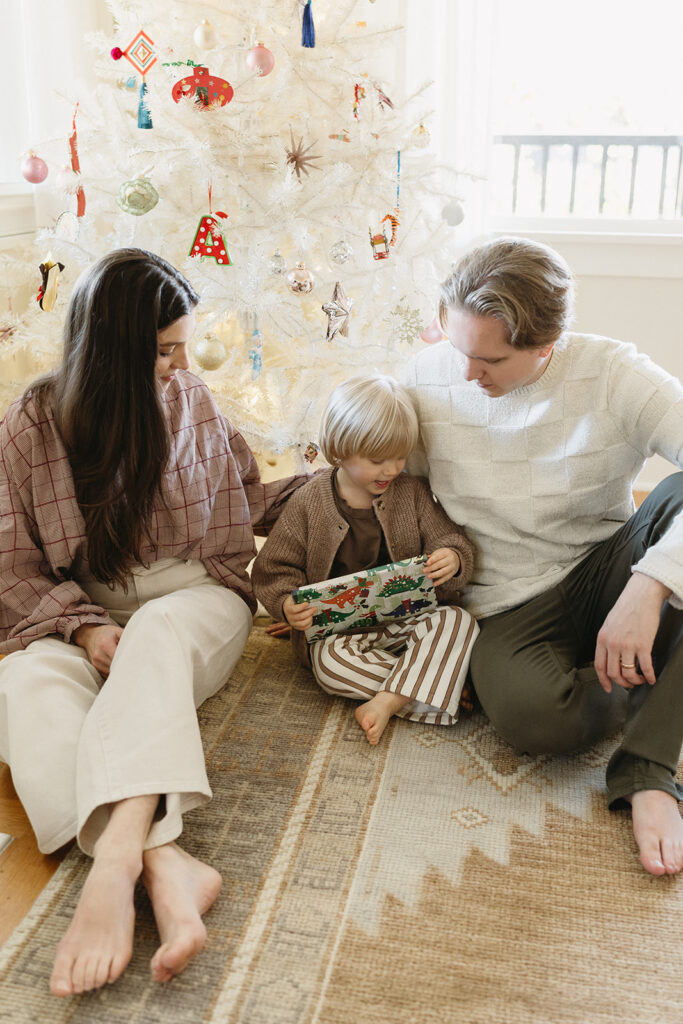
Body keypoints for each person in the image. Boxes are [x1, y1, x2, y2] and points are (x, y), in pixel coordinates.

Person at [0, 248, 307, 996]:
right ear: (110, 351)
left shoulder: (191, 401)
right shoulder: (30, 424)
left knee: (157, 637)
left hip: (195, 595)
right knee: (24, 681)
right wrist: (79, 627)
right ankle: (168, 864)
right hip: (80, 607)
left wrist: (341, 494)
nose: (179, 363)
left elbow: (245, 494)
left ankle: (112, 867)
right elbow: (11, 566)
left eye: (181, 345)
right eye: (164, 350)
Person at [402, 236, 683, 876]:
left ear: (546, 345)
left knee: (678, 500)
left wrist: (648, 590)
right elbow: (398, 498)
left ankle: (648, 769)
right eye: (459, 349)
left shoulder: (613, 373)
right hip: (505, 598)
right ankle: (660, 670)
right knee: (535, 722)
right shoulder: (424, 376)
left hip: (607, 563)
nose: (468, 374)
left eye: (493, 360)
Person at [252, 375, 478, 745]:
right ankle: (440, 685)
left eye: (400, 457)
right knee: (328, 668)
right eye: (377, 460)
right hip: (340, 637)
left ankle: (389, 700)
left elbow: (449, 538)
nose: (391, 470)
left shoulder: (412, 493)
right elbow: (274, 569)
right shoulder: (309, 502)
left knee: (458, 622)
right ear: (340, 451)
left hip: (409, 624)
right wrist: (286, 604)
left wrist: (452, 557)